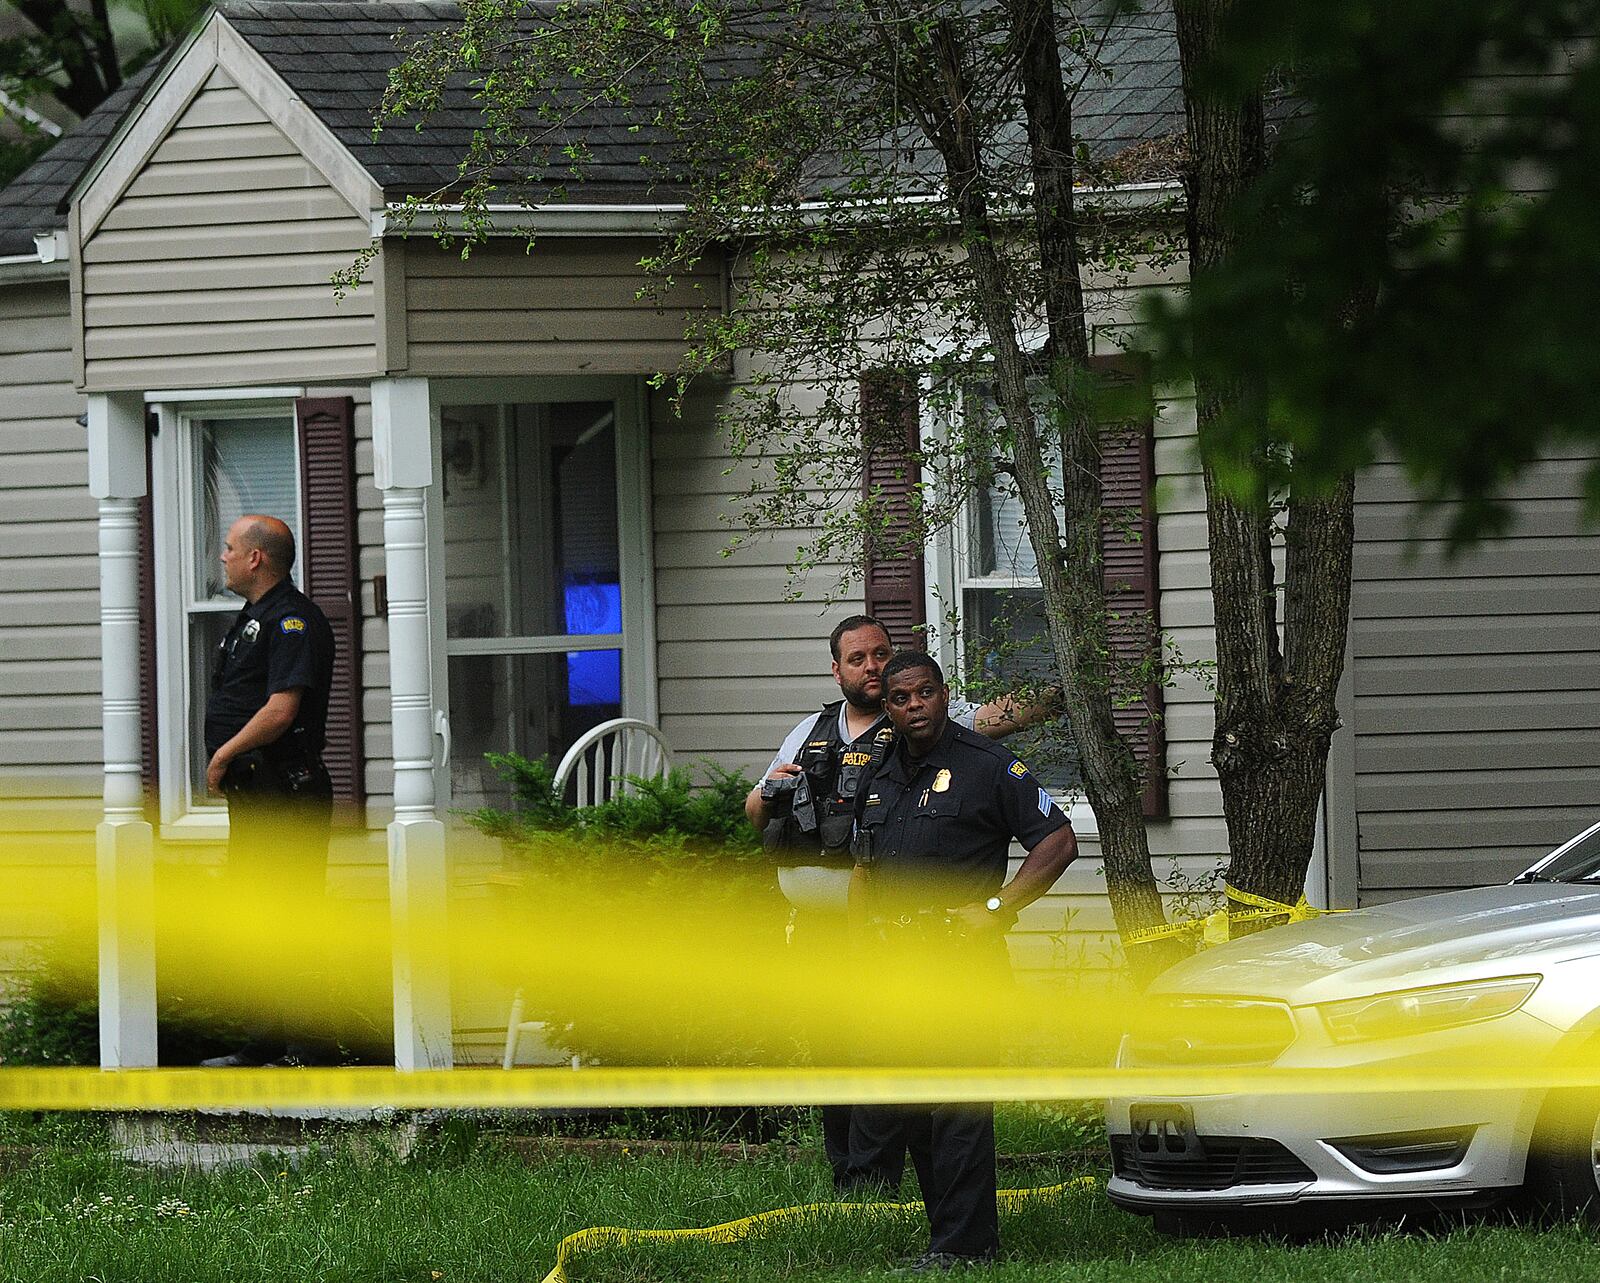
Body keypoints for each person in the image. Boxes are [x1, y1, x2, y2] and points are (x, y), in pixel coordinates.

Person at [744, 614, 1059, 1193]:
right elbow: (755, 810)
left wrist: (1059, 691)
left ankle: (888, 1182)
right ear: (835, 669)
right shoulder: (809, 731)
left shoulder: (915, 724)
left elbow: (986, 724)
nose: (872, 667)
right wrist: (771, 792)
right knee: (832, 1053)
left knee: (884, 1057)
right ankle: (853, 1181)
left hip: (888, 932)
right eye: (858, 659)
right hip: (817, 932)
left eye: (880, 654)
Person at [849, 651, 1077, 1271]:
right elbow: (865, 865)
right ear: (887, 707)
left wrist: (998, 908)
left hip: (959, 963)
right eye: (901, 698)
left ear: (943, 695)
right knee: (918, 1111)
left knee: (959, 1108)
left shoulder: (987, 764)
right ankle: (945, 1238)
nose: (914, 705)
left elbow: (1058, 842)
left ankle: (967, 1247)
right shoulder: (879, 770)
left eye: (925, 693)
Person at [198, 514, 337, 1069]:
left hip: (288, 791)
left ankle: (308, 1047)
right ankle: (264, 1042)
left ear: (256, 558)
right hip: (257, 795)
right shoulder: (253, 618)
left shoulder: (293, 622)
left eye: (230, 548)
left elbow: (282, 709)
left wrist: (223, 755)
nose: (223, 557)